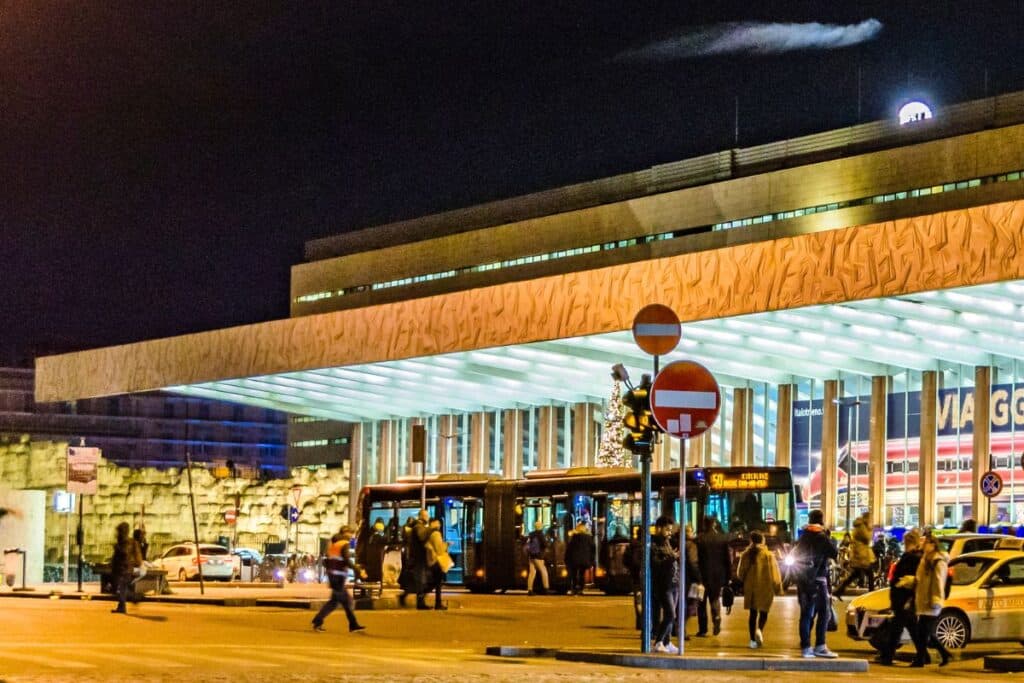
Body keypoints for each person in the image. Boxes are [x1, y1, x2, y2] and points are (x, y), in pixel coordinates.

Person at [793, 509, 839, 658]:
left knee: (806, 614)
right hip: (818, 579)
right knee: (824, 613)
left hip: (803, 580)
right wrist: (829, 538)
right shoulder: (821, 536)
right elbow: (834, 552)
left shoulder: (804, 536)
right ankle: (820, 645)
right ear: (822, 520)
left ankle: (806, 647)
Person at [876, 529, 922, 666]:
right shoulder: (912, 556)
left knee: (897, 629)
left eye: (906, 541)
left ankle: (888, 656)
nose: (904, 543)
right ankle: (922, 655)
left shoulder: (911, 557)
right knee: (912, 630)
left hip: (903, 598)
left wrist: (902, 596)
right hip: (905, 599)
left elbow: (906, 579)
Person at [312, 526, 365, 633]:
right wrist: (358, 570)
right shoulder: (344, 543)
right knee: (346, 601)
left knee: (335, 602)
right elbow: (347, 560)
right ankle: (352, 625)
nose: (352, 536)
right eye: (351, 533)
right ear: (346, 533)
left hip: (333, 576)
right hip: (338, 577)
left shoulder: (334, 544)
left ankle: (318, 620)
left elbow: (328, 560)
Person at [736, 530, 783, 649]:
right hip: (766, 587)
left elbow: (740, 573)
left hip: (751, 588)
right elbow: (775, 573)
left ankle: (752, 640)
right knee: (764, 612)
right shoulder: (768, 555)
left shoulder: (746, 554)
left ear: (751, 541)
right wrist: (778, 588)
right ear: (762, 541)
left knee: (752, 614)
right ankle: (760, 630)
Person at [912, 533, 951, 667]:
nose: (923, 545)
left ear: (933, 545)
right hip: (923, 600)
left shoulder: (938, 561)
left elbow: (938, 582)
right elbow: (920, 578)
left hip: (932, 602)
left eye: (926, 543)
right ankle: (944, 654)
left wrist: (936, 599)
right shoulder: (925, 559)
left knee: (923, 633)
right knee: (924, 633)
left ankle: (920, 660)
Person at [696, 517, 731, 637]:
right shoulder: (721, 539)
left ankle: (703, 629)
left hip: (702, 575)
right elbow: (727, 559)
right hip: (718, 575)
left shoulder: (700, 539)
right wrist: (728, 577)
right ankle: (716, 616)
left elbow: (696, 559)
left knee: (701, 602)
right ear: (714, 524)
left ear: (704, 525)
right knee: (715, 598)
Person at [650, 515, 680, 654]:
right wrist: (671, 558)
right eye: (667, 530)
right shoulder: (654, 544)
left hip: (673, 583)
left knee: (672, 615)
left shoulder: (667, 542)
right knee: (670, 614)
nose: (670, 533)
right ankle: (659, 642)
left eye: (671, 530)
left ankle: (667, 642)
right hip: (664, 585)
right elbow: (656, 565)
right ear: (659, 528)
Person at [834, 512, 875, 598]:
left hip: (860, 554)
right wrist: (870, 528)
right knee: (870, 575)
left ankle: (839, 590)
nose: (871, 521)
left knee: (854, 575)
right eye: (870, 519)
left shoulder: (859, 526)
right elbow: (868, 538)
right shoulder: (862, 527)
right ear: (866, 518)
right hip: (862, 555)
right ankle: (872, 595)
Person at [109, 521, 142, 614]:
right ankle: (122, 606)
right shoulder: (122, 543)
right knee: (120, 588)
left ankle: (135, 598)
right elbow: (115, 557)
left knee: (121, 588)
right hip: (120, 570)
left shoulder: (127, 543)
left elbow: (126, 553)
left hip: (125, 569)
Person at [422, 517, 449, 610]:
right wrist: (447, 544)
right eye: (438, 523)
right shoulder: (436, 534)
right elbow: (439, 549)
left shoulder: (428, 533)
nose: (439, 525)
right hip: (436, 561)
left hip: (431, 560)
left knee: (435, 582)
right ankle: (436, 602)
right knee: (436, 583)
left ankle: (423, 596)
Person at [565, 521, 595, 596]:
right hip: (584, 559)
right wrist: (591, 559)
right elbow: (593, 549)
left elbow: (569, 549)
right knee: (582, 574)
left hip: (574, 559)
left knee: (574, 574)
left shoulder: (574, 537)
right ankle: (581, 589)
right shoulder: (588, 538)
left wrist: (567, 558)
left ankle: (574, 588)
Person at [525, 520, 549, 595]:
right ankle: (546, 588)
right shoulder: (541, 534)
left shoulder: (531, 534)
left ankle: (530, 589)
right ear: (541, 526)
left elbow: (527, 544)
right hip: (538, 556)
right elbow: (545, 544)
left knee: (532, 573)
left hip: (531, 556)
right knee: (543, 571)